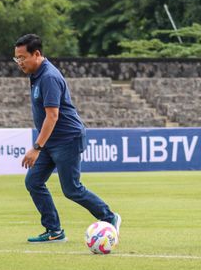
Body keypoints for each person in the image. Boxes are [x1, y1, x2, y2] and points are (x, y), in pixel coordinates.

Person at [14, 34, 121, 243]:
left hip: (67, 139)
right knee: (34, 181)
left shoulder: (49, 77)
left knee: (72, 189)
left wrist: (36, 147)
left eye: (22, 57)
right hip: (51, 141)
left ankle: (109, 217)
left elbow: (52, 116)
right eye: (16, 58)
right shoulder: (36, 74)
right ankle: (54, 230)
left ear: (36, 54)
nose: (19, 63)